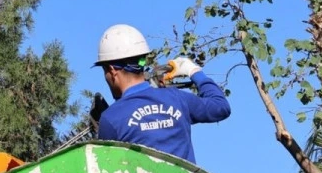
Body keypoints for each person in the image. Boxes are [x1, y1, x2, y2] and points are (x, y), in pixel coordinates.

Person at [91, 24, 230, 165]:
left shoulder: (111, 118)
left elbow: (106, 167)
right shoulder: (177, 98)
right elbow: (221, 106)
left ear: (112, 70)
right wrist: (194, 71)